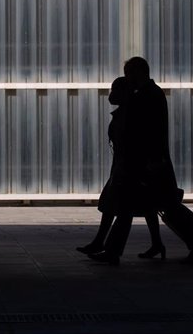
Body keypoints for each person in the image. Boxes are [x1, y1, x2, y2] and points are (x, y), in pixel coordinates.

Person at [89, 57, 177, 265]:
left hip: (142, 163)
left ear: (139, 71)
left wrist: (147, 162)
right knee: (143, 206)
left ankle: (111, 251)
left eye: (129, 72)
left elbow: (146, 132)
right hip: (141, 163)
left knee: (128, 207)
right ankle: (152, 245)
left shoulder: (147, 95)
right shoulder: (147, 94)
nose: (128, 77)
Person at [77, 77, 165, 258]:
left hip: (127, 168)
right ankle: (155, 244)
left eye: (114, 90)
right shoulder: (128, 112)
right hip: (124, 166)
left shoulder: (130, 114)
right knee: (143, 205)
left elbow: (132, 144)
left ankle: (105, 246)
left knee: (116, 205)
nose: (111, 94)